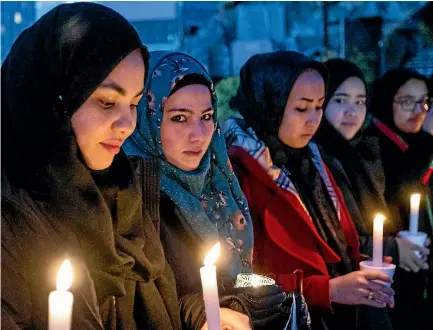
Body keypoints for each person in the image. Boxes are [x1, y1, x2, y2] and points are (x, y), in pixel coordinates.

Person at [2, 4, 203, 329]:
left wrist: (204, 315)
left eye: (135, 104)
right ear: (52, 99)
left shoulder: (129, 195)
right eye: (107, 102)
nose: (126, 124)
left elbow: (174, 299)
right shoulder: (12, 219)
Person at [123, 51, 301, 330]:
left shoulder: (219, 182)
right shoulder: (129, 195)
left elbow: (234, 276)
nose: (198, 133)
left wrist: (260, 291)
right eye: (179, 118)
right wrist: (202, 312)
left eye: (206, 116)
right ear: (147, 117)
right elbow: (136, 304)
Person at [222, 51, 395, 330]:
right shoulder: (236, 175)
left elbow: (334, 247)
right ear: (271, 104)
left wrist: (364, 267)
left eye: (319, 106)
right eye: (301, 109)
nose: (314, 120)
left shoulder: (314, 160)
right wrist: (325, 289)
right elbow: (239, 279)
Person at [315, 58, 427, 274]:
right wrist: (394, 248)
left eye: (360, 102)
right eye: (340, 100)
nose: (352, 111)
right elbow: (332, 238)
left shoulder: (363, 152)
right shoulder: (315, 160)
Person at [363, 67, 433, 330]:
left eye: (424, 101)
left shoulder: (418, 145)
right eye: (407, 101)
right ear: (386, 100)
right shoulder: (372, 147)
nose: (418, 109)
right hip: (389, 272)